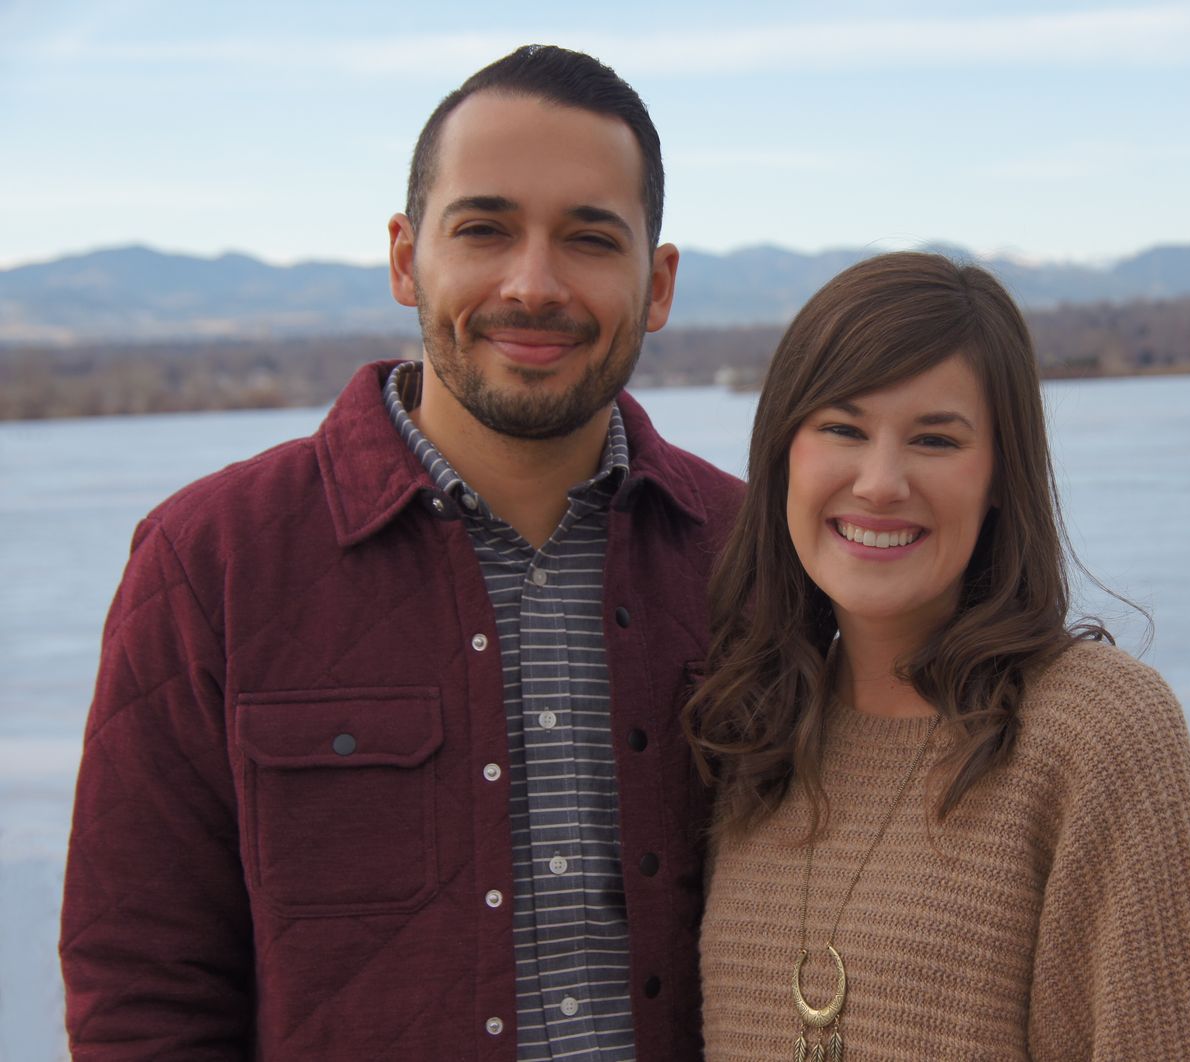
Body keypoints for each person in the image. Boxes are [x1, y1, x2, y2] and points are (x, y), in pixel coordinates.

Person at [59, 45, 740, 1060]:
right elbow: (141, 988)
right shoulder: (210, 563)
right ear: (405, 258)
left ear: (659, 283)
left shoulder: (750, 556)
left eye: (591, 239)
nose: (533, 284)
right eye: (484, 229)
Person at [687, 252, 1190, 1060]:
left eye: (935, 440)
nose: (880, 483)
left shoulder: (1099, 736)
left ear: (1000, 478)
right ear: (782, 456)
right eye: (843, 429)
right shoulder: (756, 733)